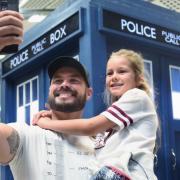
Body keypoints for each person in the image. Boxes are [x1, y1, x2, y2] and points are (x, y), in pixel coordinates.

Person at [33, 49, 159, 180]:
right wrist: (54, 114)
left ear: (139, 79)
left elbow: (90, 126)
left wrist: (47, 123)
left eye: (122, 71)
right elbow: (95, 136)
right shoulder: (115, 121)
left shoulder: (137, 96)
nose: (114, 76)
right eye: (109, 73)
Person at [0, 56, 95, 180]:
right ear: (50, 90)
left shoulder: (103, 142)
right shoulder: (27, 136)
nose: (64, 84)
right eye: (57, 81)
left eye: (74, 80)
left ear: (88, 93)